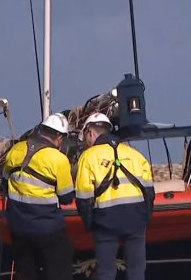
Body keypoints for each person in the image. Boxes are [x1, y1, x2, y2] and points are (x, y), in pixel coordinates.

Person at [74, 112, 155, 280]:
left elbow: (83, 198)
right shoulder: (135, 154)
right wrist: (145, 219)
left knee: (106, 272)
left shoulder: (88, 157)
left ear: (90, 132)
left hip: (105, 220)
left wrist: (90, 225)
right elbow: (149, 192)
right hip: (135, 218)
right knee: (137, 271)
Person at [3, 112, 75, 280]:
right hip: (48, 229)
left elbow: (4, 182)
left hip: (19, 228)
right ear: (59, 138)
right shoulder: (59, 159)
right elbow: (66, 197)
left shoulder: (16, 150)